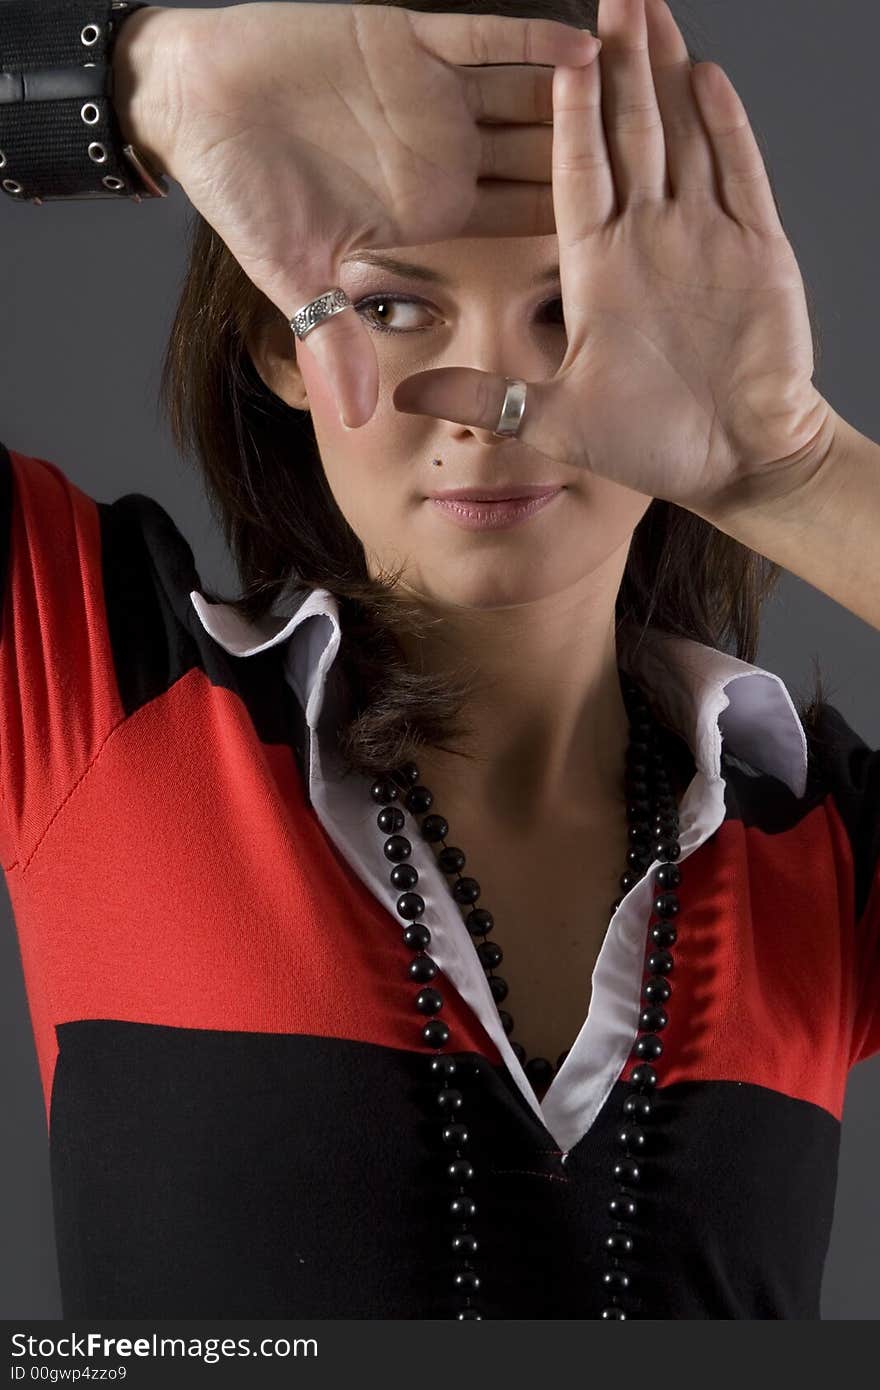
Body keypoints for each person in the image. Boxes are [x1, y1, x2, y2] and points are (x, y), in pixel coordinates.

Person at [2, 0, 879, 1321]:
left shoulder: (819, 852)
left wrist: (792, 468)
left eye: (570, 311)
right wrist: (138, 78)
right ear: (274, 340)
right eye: (396, 302)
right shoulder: (90, 683)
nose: (492, 397)